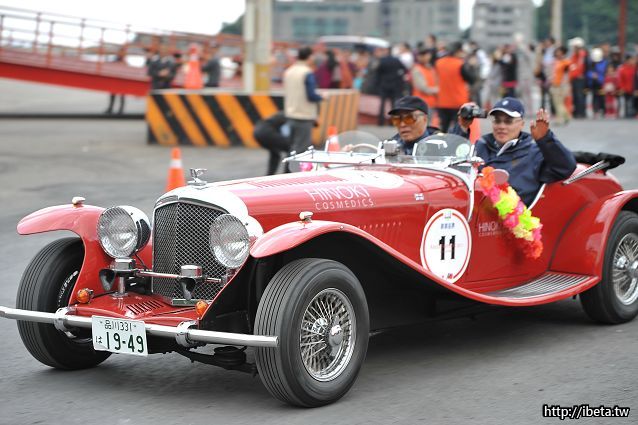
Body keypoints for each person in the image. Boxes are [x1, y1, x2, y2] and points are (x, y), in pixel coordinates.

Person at [456, 97, 577, 206]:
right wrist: (462, 128)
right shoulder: (480, 146)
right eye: (497, 121)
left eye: (508, 121)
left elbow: (566, 168)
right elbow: (452, 163)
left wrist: (545, 139)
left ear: (521, 124)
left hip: (513, 219)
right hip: (474, 213)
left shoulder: (534, 153)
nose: (501, 126)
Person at [282, 46, 323, 172]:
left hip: (290, 113)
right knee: (301, 149)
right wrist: (322, 97)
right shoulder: (306, 72)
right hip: (304, 115)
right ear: (310, 57)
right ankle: (291, 175)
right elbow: (311, 95)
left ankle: (285, 172)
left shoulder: (289, 71)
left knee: (292, 148)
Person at [387, 95, 463, 155]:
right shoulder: (389, 146)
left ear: (425, 119)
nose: (402, 124)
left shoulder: (442, 145)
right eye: (396, 120)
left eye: (409, 118)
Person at [435, 41, 474, 132]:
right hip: (458, 101)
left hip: (442, 101)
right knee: (458, 129)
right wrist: (471, 65)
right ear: (458, 51)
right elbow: (471, 79)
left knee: (443, 128)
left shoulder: (438, 63)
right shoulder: (460, 64)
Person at [375, 46, 407, 125]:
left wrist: (378, 84)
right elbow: (404, 69)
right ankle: (392, 121)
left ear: (386, 51)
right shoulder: (396, 60)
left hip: (384, 85)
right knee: (393, 104)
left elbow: (377, 73)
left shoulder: (382, 60)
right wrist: (399, 77)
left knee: (382, 104)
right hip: (394, 85)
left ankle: (381, 122)